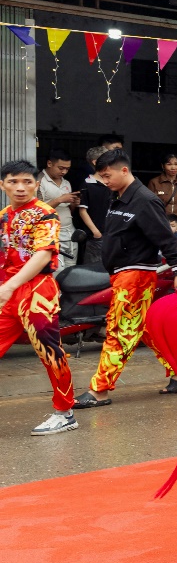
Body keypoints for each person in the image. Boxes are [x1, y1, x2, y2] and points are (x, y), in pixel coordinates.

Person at [72, 148, 177, 408]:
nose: (104, 181)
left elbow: (166, 238)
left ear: (124, 170)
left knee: (118, 331)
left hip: (134, 277)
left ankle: (98, 390)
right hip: (122, 275)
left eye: (107, 175)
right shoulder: (119, 195)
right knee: (147, 330)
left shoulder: (145, 200)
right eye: (101, 177)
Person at [2, 161, 78, 436]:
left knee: (50, 352)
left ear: (36, 184)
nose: (20, 188)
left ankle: (65, 411)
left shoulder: (46, 214)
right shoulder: (3, 216)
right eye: (13, 182)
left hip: (37, 290)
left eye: (26, 182)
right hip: (7, 291)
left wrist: (10, 286)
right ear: (3, 185)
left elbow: (43, 255)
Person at [77, 142, 120, 265]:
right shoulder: (87, 184)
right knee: (95, 269)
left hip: (113, 234)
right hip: (96, 237)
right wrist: (96, 232)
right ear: (95, 162)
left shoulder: (113, 183)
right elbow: (82, 211)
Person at [37, 150, 78, 269]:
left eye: (67, 169)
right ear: (49, 163)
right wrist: (59, 200)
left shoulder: (66, 182)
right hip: (51, 233)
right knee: (57, 271)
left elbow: (70, 211)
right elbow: (37, 211)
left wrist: (74, 203)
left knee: (72, 270)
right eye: (61, 168)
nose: (64, 171)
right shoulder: (39, 181)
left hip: (70, 232)